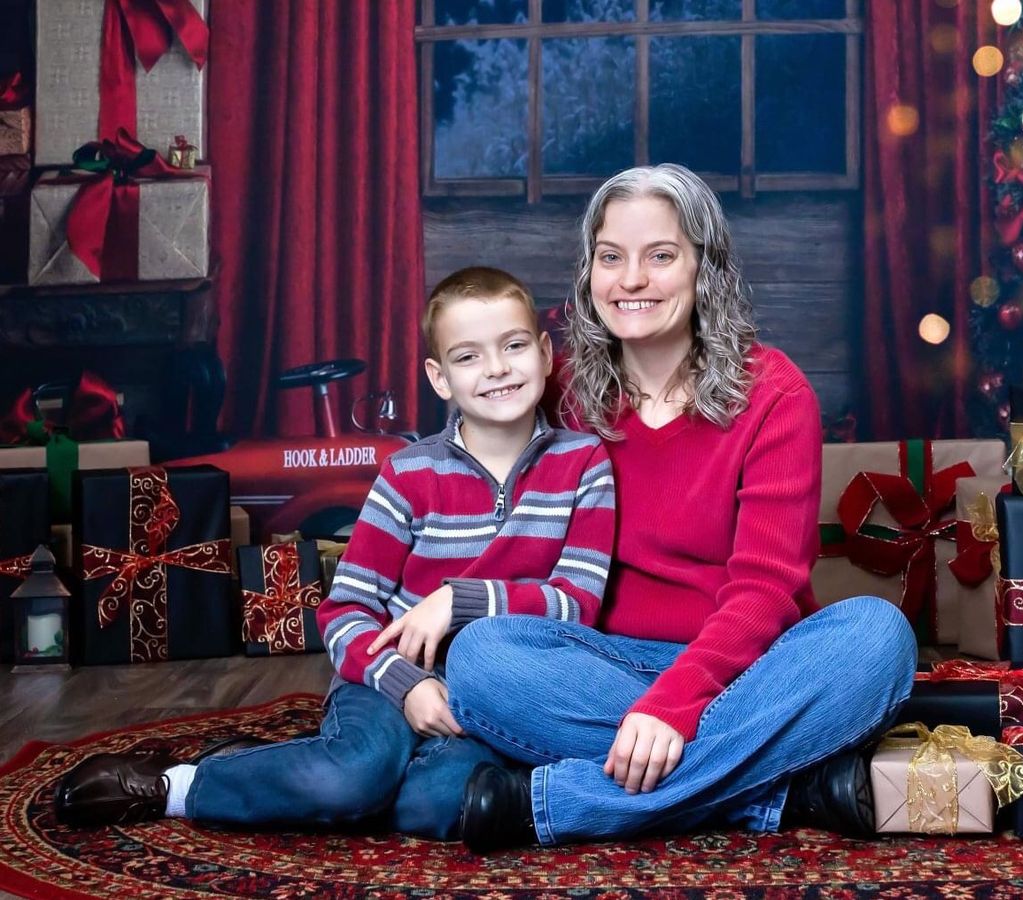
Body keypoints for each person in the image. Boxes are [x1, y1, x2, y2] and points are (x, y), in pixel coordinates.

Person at [447, 164, 918, 852]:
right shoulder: (558, 389)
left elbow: (765, 591)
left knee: (877, 637)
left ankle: (558, 804)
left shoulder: (775, 394)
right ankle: (775, 795)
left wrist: (676, 704)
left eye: (661, 256)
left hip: (752, 665)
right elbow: (467, 487)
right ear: (588, 272)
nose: (631, 280)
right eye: (611, 257)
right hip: (602, 664)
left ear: (706, 268)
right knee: (479, 657)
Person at [55, 267, 617, 840]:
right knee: (355, 776)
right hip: (385, 675)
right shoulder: (408, 473)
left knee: (438, 805)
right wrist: (406, 684)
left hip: (493, 692)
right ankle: (178, 784)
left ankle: (303, 773)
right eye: (468, 356)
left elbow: (576, 604)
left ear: (545, 354)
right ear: (439, 378)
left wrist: (461, 600)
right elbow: (345, 610)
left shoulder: (584, 464)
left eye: (514, 346)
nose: (497, 368)